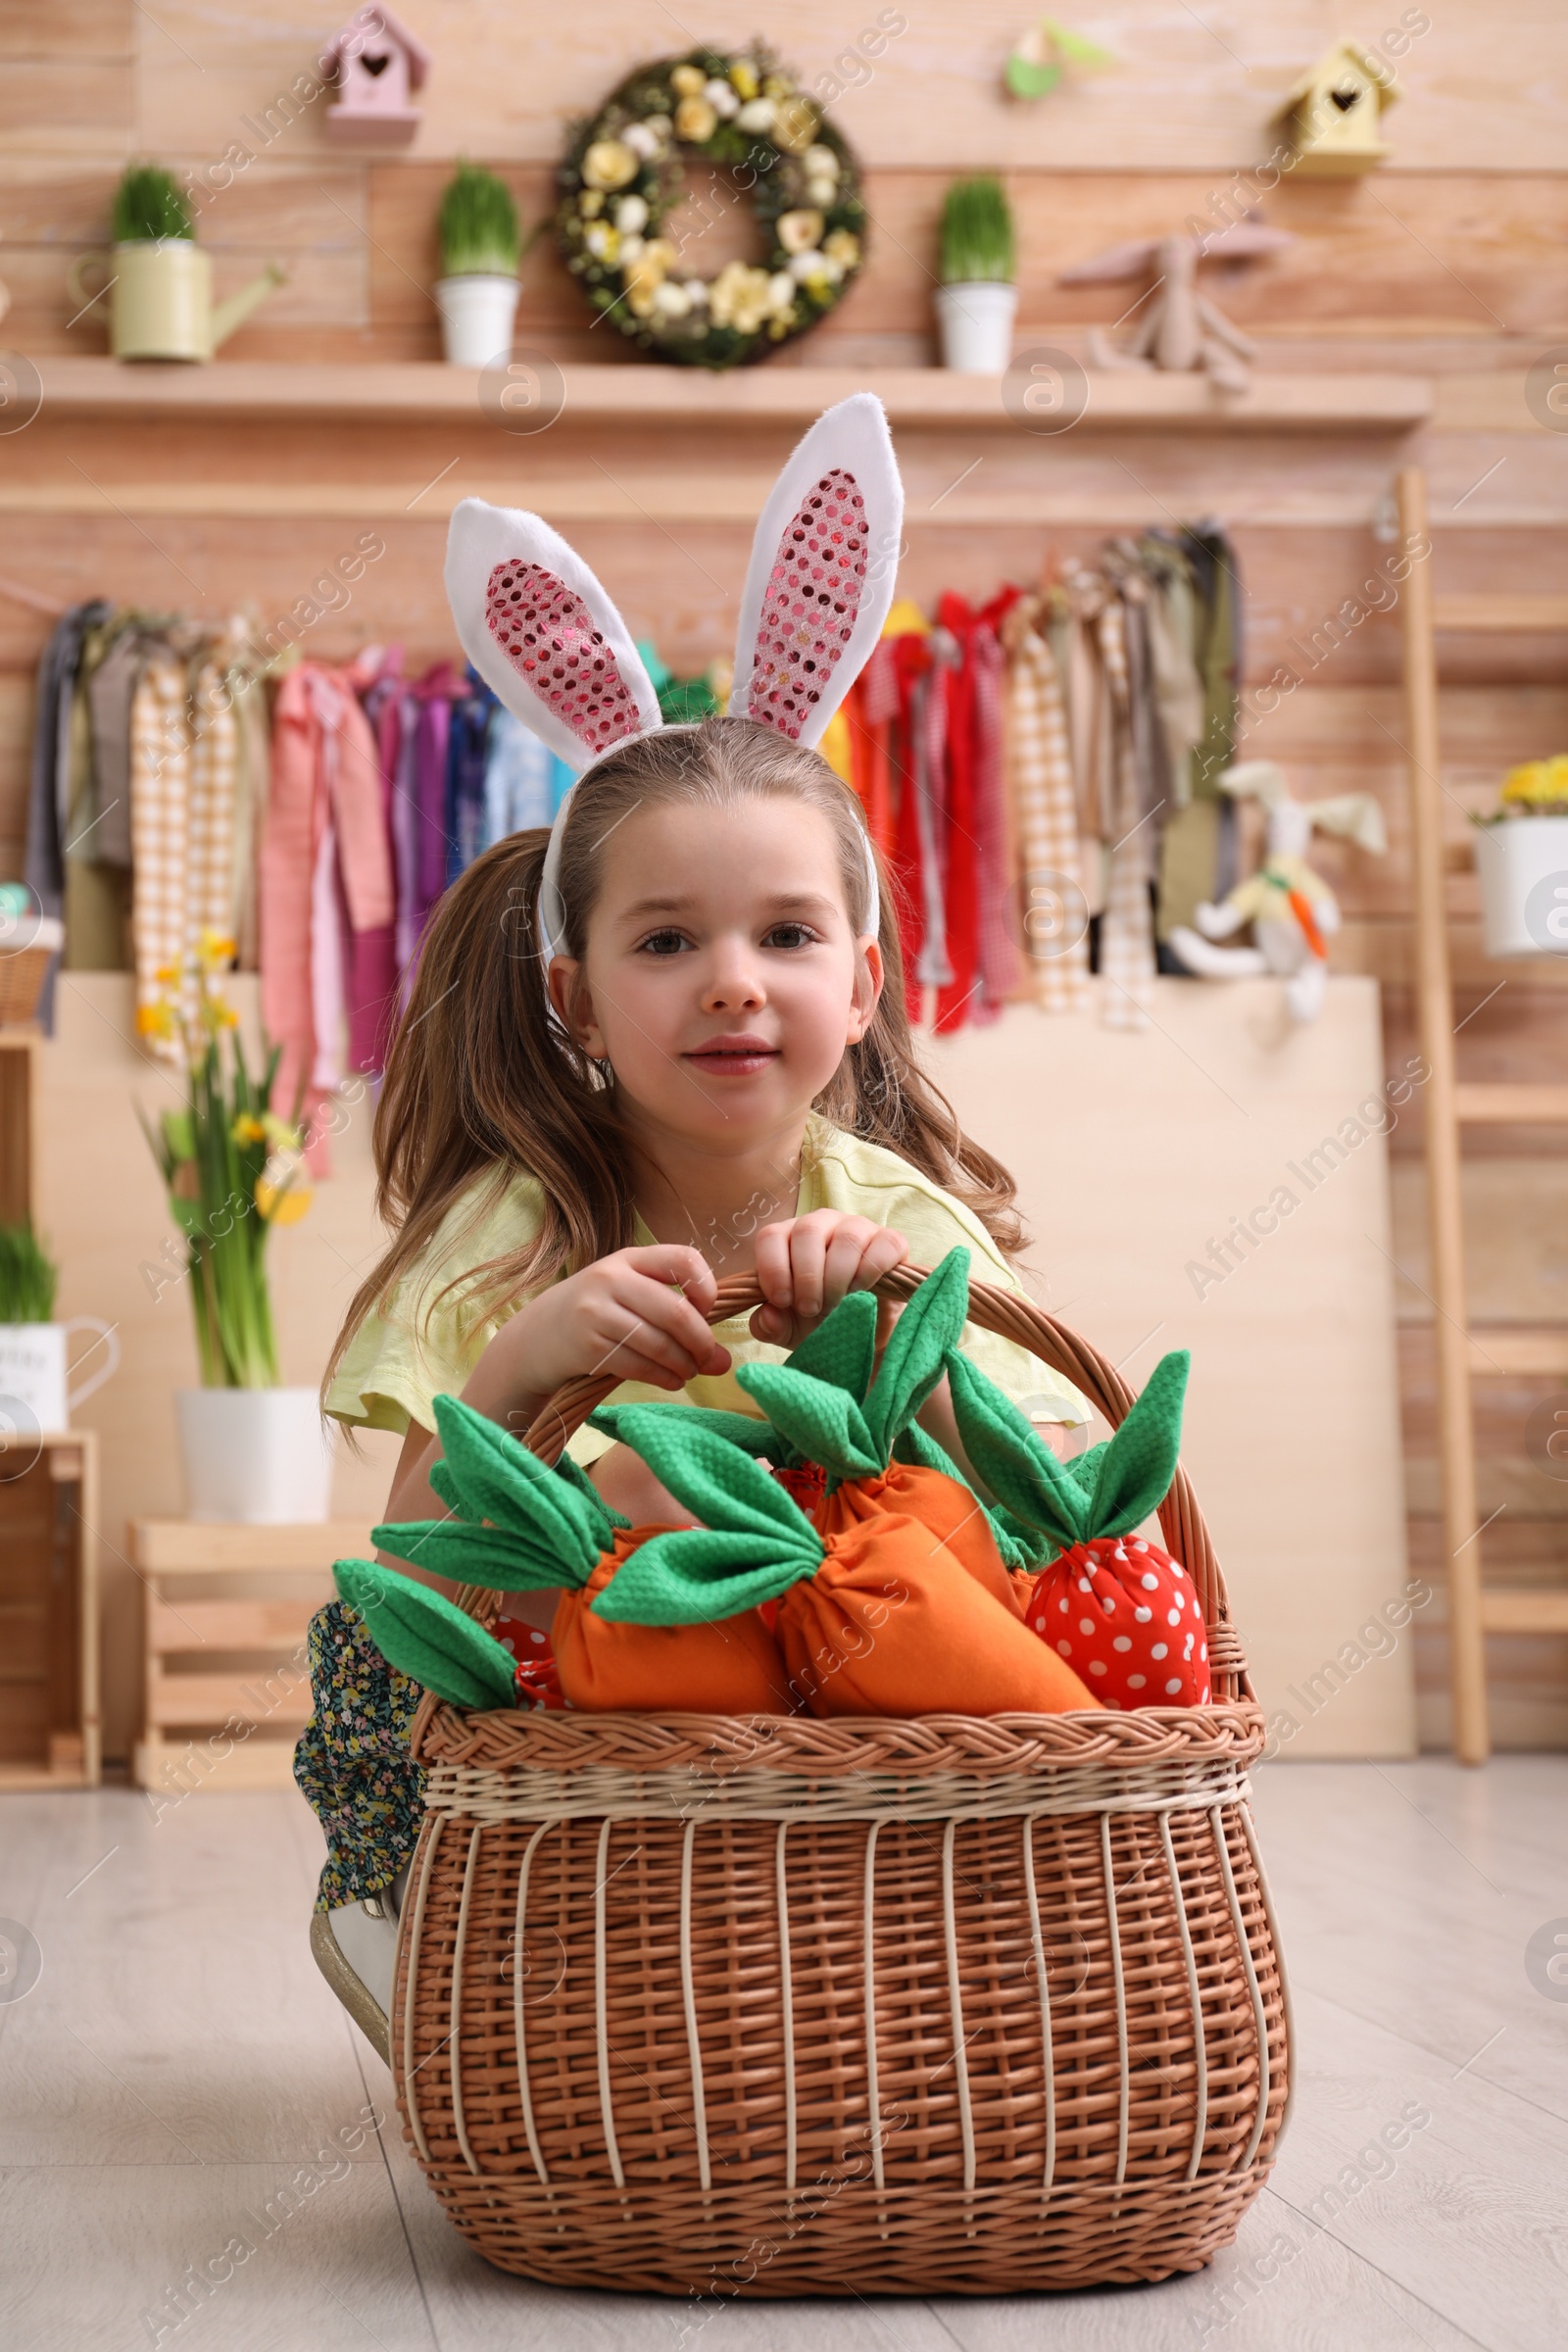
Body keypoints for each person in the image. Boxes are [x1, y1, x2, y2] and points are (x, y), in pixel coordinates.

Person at [296, 400, 1090, 2062]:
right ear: (574, 998)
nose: (734, 977)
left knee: (995, 1552)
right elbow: (417, 1545)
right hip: (610, 1714)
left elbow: (1048, 1513)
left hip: (864, 1688)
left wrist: (904, 1345)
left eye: (787, 932)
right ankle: (452, 1934)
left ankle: (916, 1970)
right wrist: (531, 1357)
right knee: (428, 1590)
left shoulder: (894, 1218)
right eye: (667, 941)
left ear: (860, 986)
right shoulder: (511, 1231)